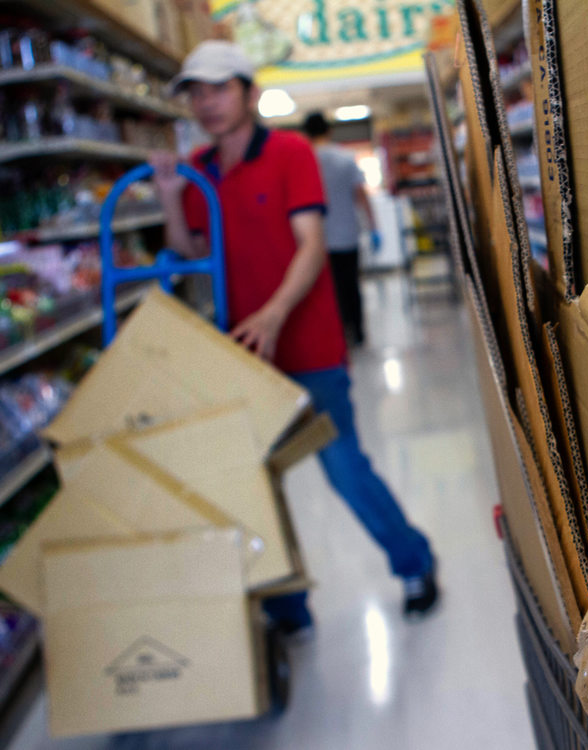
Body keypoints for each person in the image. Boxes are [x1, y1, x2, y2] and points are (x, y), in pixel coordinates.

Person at [153, 40, 439, 630]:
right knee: (252, 482)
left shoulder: (289, 154)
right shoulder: (198, 171)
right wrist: (166, 197)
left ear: (249, 94)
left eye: (218, 89)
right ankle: (287, 605)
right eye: (195, 93)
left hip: (308, 349)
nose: (206, 103)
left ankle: (414, 563)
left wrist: (276, 313)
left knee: (343, 470)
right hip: (240, 357)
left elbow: (311, 245)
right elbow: (189, 251)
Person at [302, 111, 375, 347]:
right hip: (347, 235)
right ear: (329, 130)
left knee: (327, 291)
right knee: (351, 286)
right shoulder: (345, 158)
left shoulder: (305, 160)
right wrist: (373, 227)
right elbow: (361, 195)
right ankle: (359, 332)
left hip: (316, 240)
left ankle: (337, 333)